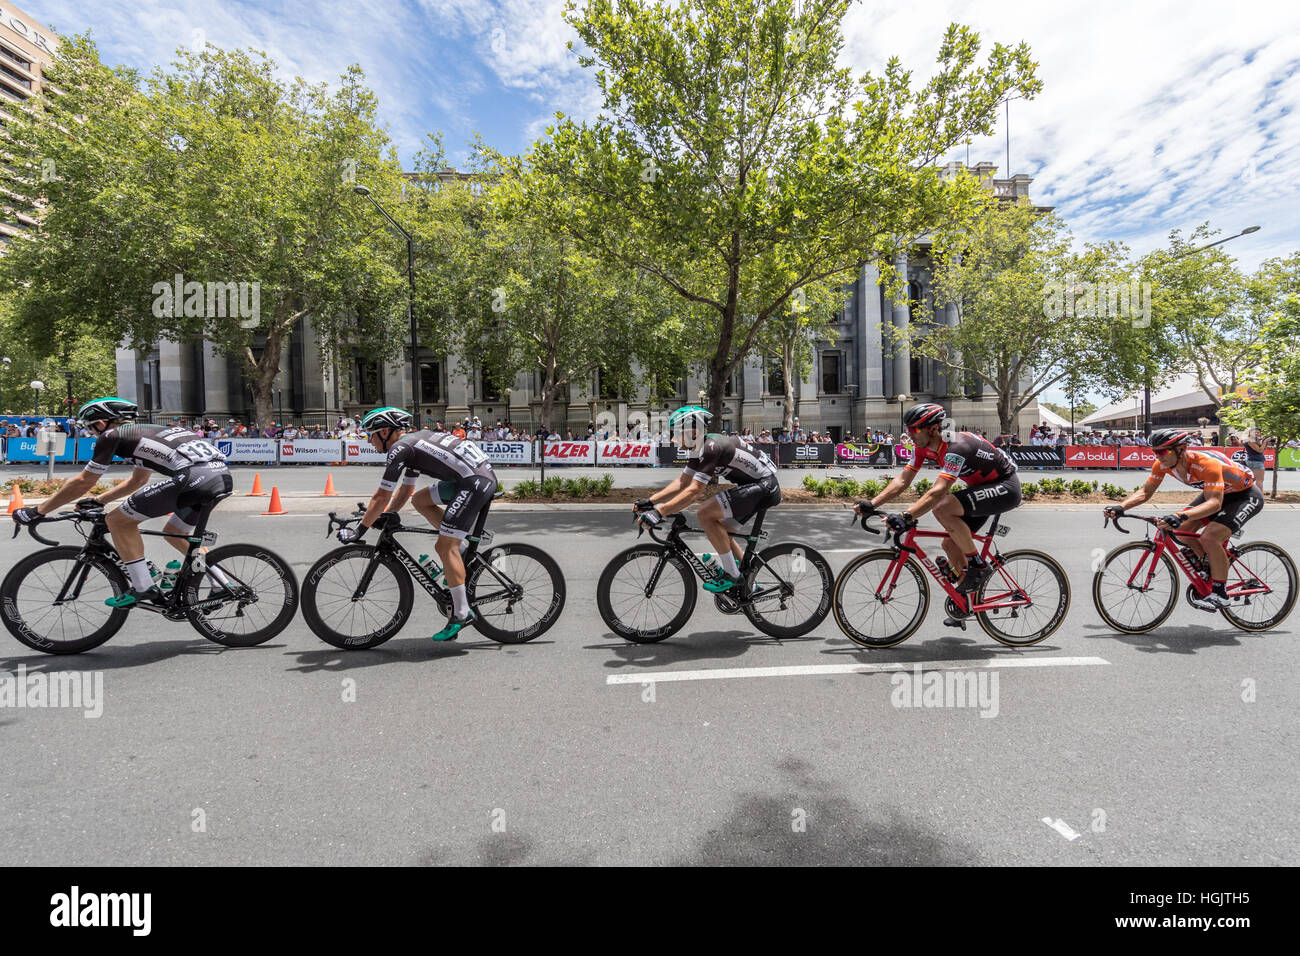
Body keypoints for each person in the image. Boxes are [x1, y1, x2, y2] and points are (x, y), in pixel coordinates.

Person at [12, 397, 232, 607]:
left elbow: (83, 481)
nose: (90, 432)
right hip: (219, 478)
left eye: (90, 427)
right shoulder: (149, 432)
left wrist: (38, 511)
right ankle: (222, 584)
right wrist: (99, 500)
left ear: (101, 423)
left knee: (117, 521)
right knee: (176, 532)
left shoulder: (112, 436)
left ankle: (143, 586)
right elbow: (138, 480)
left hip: (193, 480)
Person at [339, 406, 498, 642]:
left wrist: (359, 530)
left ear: (385, 432)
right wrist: (389, 513)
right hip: (470, 478)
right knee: (420, 500)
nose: (369, 441)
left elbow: (381, 496)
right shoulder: (412, 444)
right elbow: (406, 490)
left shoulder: (399, 448)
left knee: (445, 547)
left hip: (474, 483)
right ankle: (462, 549)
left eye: (370, 435)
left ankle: (462, 612)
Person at [854, 403, 1021, 607]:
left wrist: (907, 516)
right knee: (950, 544)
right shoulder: (923, 448)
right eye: (908, 429)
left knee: (943, 507)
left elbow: (938, 491)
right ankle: (966, 603)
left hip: (1005, 487)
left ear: (933, 429)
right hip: (982, 489)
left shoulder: (956, 446)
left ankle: (979, 566)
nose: (910, 434)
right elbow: (902, 481)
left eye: (914, 429)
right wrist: (872, 503)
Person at [1104, 428, 1262, 611]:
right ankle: (1208, 563)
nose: (1158, 456)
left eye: (1163, 451)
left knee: (1210, 538)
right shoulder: (1161, 465)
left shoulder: (1206, 464)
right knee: (1179, 530)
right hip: (1218, 492)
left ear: (1181, 448)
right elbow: (1146, 492)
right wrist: (1122, 506)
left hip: (1244, 496)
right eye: (1155, 452)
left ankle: (1220, 593)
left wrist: (1179, 515)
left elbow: (1214, 503)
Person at [632, 406, 780, 595]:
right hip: (758, 486)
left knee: (704, 512)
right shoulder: (699, 447)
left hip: (764, 486)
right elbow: (683, 482)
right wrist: (651, 502)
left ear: (693, 431)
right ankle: (750, 584)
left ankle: (733, 576)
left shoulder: (710, 447)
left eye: (676, 432)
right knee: (722, 532)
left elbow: (694, 491)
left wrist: (659, 512)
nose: (672, 439)